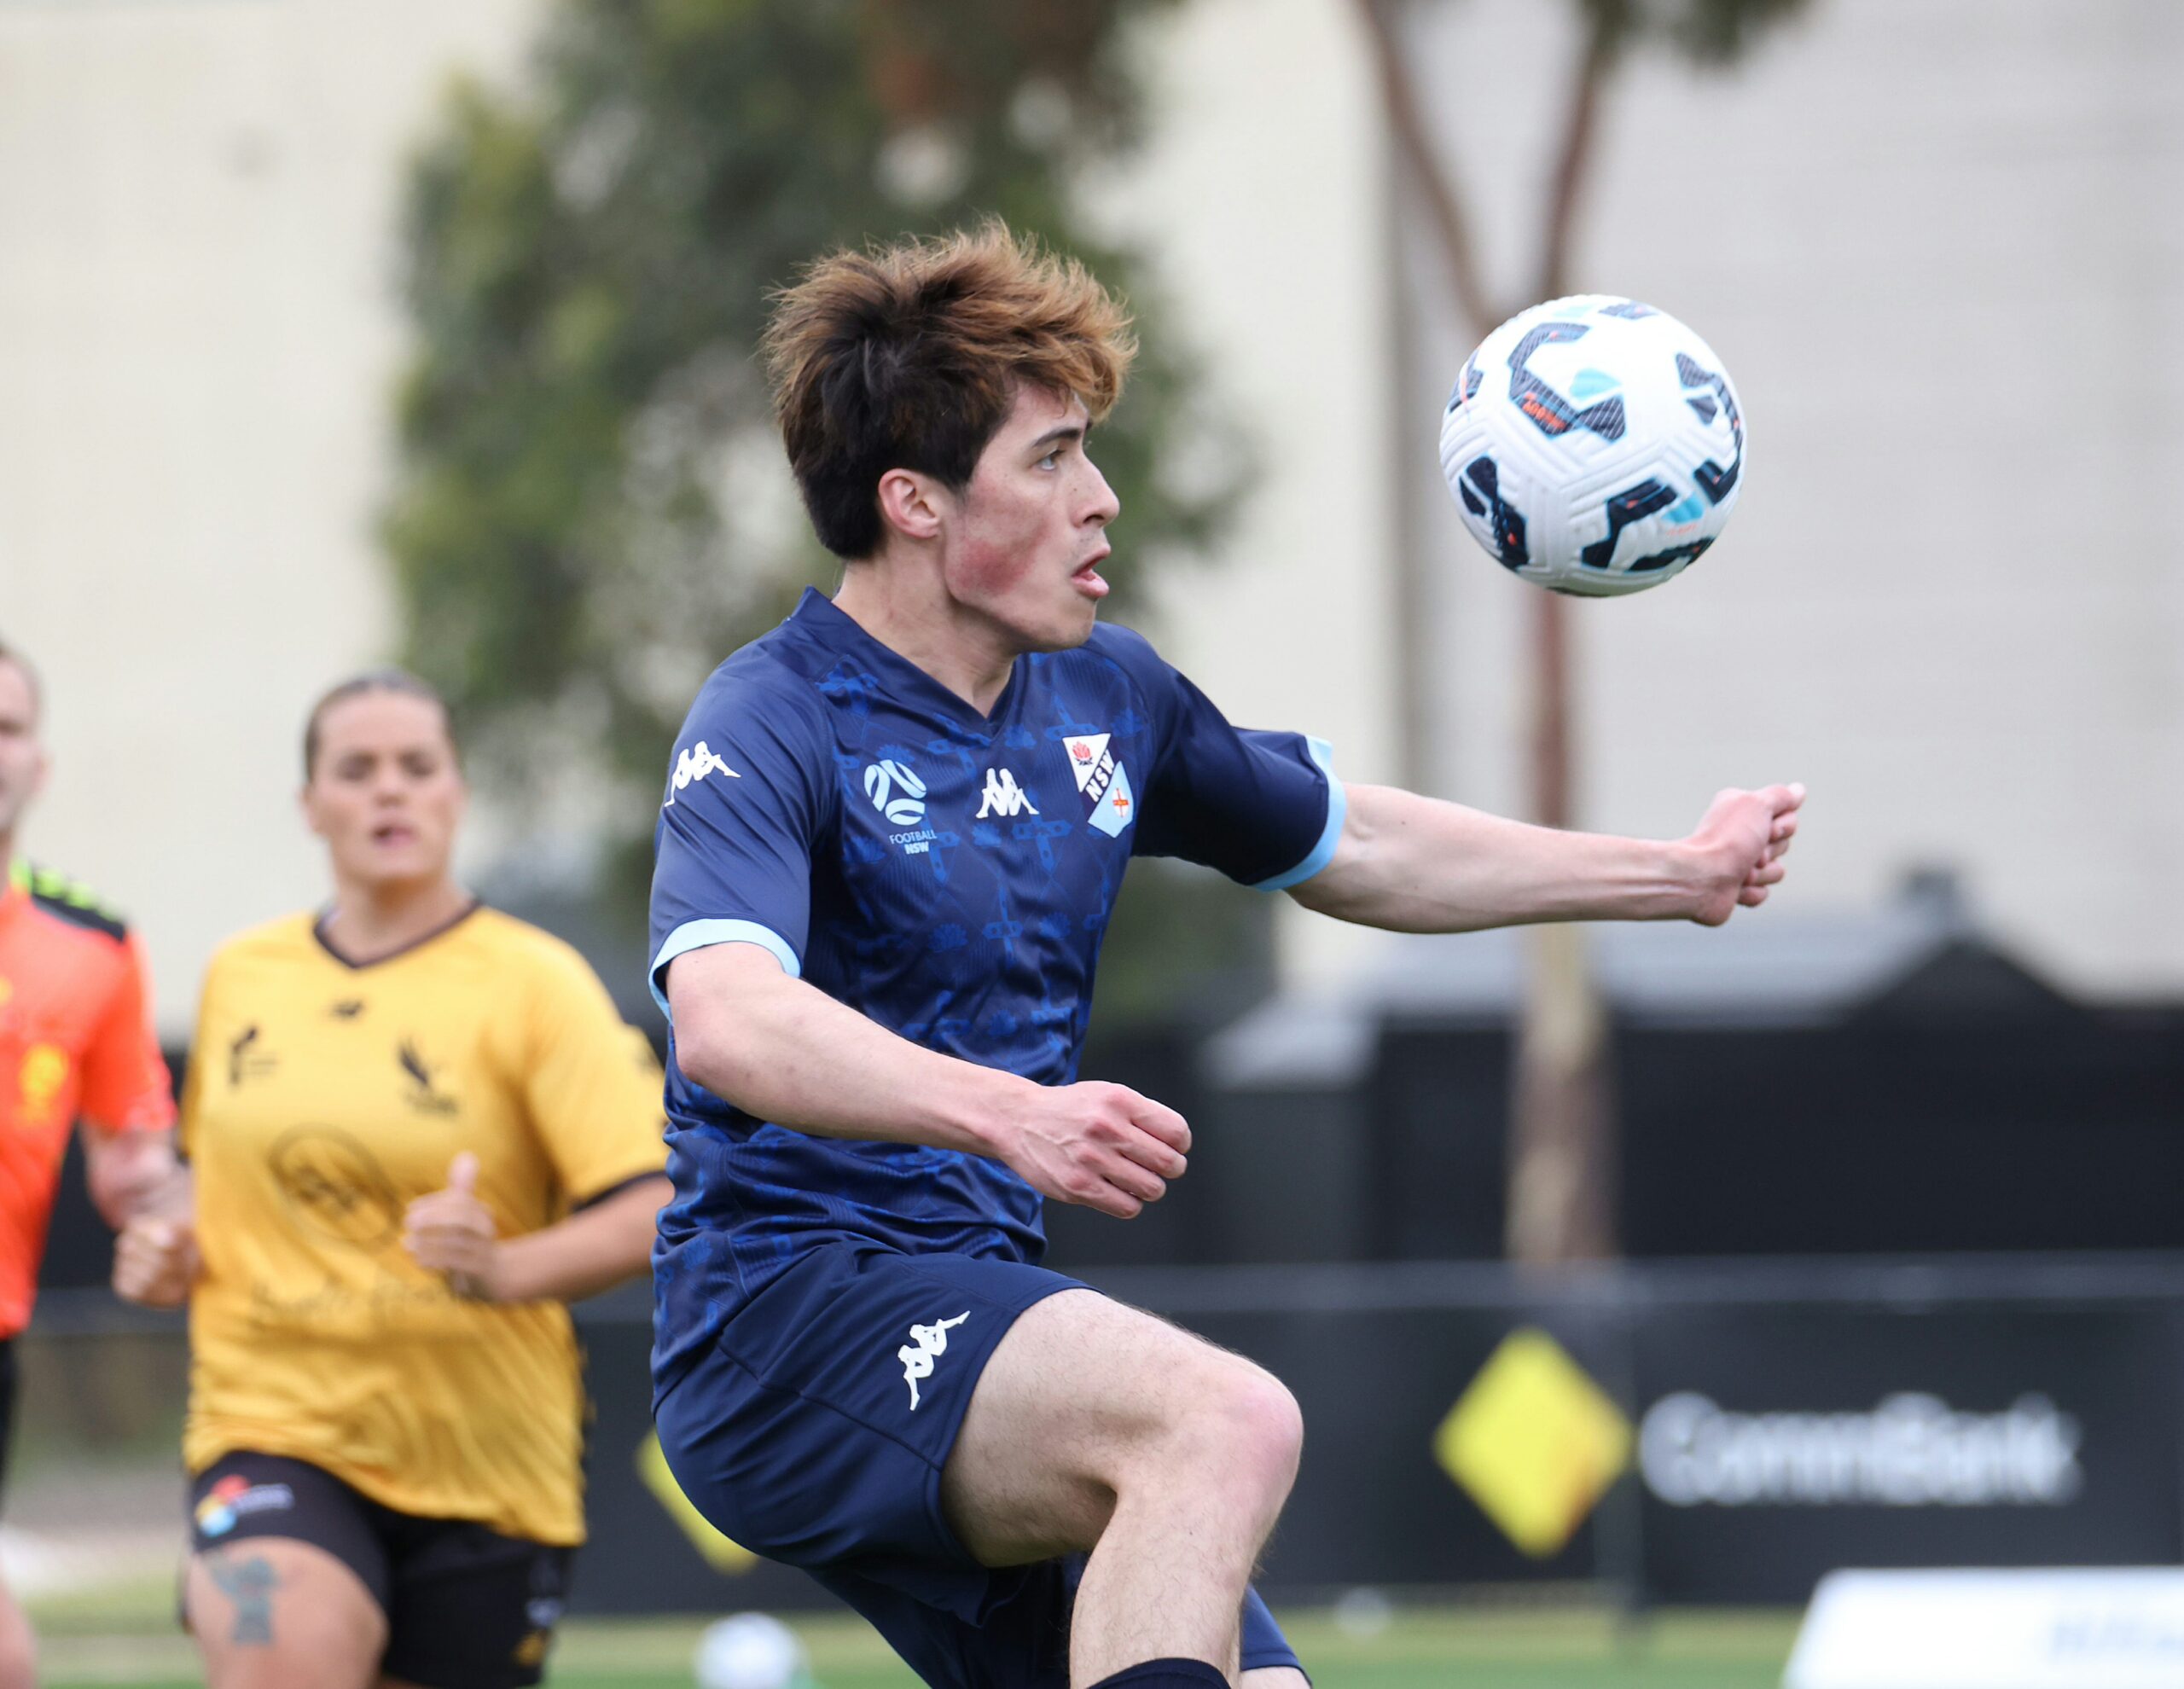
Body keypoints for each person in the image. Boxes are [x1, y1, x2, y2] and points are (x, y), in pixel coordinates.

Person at [648, 223, 1803, 1689]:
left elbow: (1357, 847)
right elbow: (730, 1023)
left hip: (980, 1321)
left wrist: (1675, 877)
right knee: (1219, 1422)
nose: (1101, 499)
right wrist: (1008, 1110)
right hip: (787, 1321)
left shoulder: (1105, 696)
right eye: (1053, 459)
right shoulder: (771, 717)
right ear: (914, 503)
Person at [112, 670, 673, 1689]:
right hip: (271, 1424)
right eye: (356, 770)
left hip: (486, 1465)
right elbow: (208, 1178)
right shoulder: (245, 973)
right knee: (279, 1656)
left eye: (417, 767)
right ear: (309, 804)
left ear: (458, 791)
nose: (388, 792)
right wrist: (167, 1241)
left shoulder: (535, 983)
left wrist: (500, 1266)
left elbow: (656, 1208)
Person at [0, 639, 182, 1689]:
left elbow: (133, 1157)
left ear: (39, 763)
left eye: (9, 727)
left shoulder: (93, 944)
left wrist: (171, 1210)